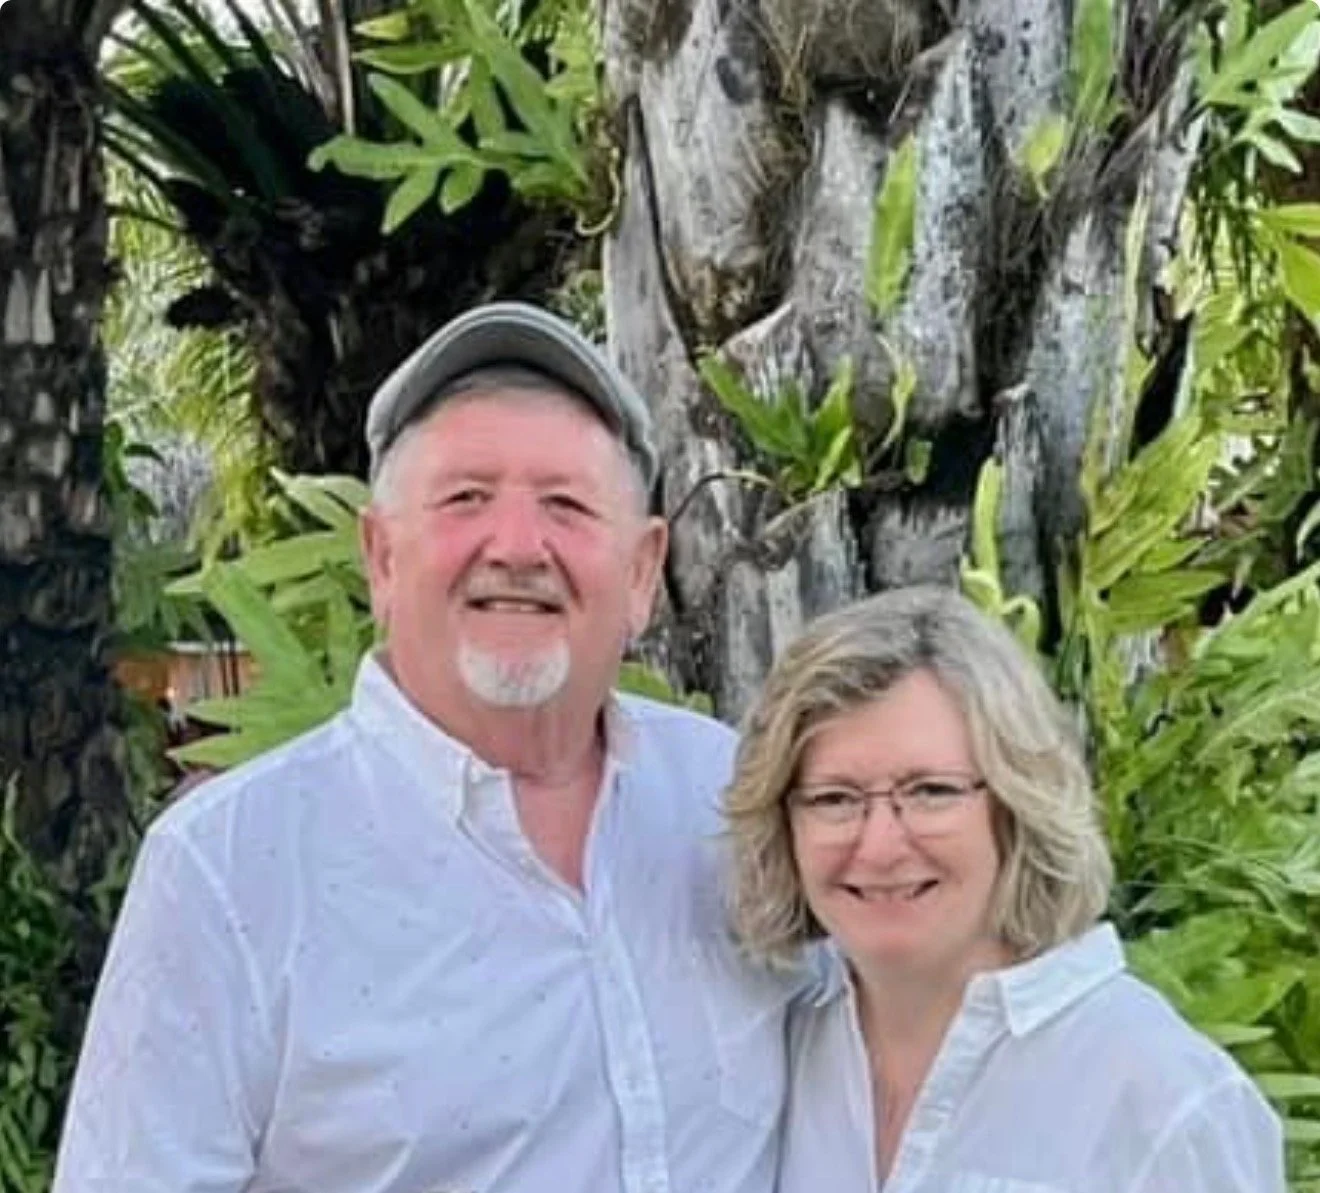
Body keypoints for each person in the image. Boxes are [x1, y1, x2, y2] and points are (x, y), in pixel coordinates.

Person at [54, 302, 805, 1193]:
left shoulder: (736, 797)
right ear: (380, 558)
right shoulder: (225, 873)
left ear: (642, 573)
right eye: (466, 499)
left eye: (566, 504)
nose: (519, 547)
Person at [724, 585, 1285, 1193]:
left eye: (930, 791)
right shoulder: (776, 1059)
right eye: (835, 798)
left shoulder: (1164, 1103)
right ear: (784, 823)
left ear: (1018, 805)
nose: (880, 845)